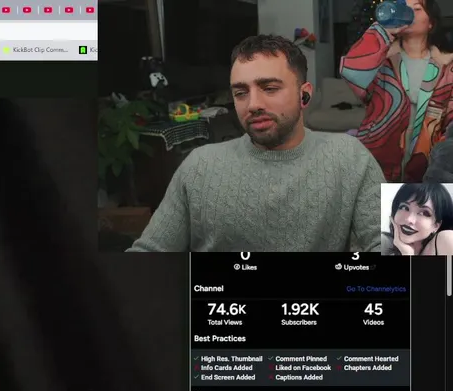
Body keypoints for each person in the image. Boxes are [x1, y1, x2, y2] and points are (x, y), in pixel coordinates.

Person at [129, 35, 384, 252]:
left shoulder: (351, 157)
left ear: (304, 94)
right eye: (241, 93)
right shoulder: (200, 165)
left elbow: (392, 246)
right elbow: (148, 253)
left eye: (269, 88)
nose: (253, 105)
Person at [343, 0, 453, 182]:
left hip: (427, 164)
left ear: (431, 23)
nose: (409, 12)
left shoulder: (446, 68)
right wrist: (383, 29)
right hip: (379, 159)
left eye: (417, 8)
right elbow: (352, 72)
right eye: (405, 8)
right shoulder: (381, 62)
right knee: (379, 200)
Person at [381, 182, 453, 253]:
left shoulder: (446, 239)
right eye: (404, 207)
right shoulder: (384, 243)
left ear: (436, 225)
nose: (409, 219)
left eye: (424, 213)